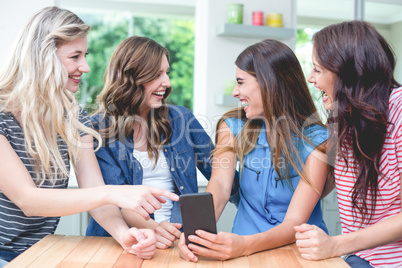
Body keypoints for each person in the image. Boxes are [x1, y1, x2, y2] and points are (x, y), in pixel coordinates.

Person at [0, 6, 179, 265]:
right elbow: (28, 200)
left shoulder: (75, 119)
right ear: (42, 56)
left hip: (39, 250)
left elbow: (96, 196)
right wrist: (112, 193)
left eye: (84, 55)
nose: (85, 66)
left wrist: (124, 233)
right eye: (75, 56)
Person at [178, 39, 329, 262]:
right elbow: (220, 184)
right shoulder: (232, 126)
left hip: (302, 254)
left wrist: (245, 246)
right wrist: (196, 234)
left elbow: (295, 222)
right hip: (240, 253)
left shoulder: (319, 141)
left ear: (270, 83)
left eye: (241, 82)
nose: (235, 92)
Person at [85, 36, 214, 249]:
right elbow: (115, 198)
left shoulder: (181, 119)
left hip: (177, 240)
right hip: (120, 242)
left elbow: (220, 174)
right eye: (157, 74)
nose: (168, 83)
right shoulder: (99, 128)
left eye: (167, 73)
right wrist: (154, 228)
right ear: (130, 78)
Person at [294, 20, 402, 267]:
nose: (310, 78)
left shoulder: (399, 109)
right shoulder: (346, 120)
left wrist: (335, 245)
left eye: (318, 70)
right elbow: (319, 185)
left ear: (347, 73)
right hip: (357, 260)